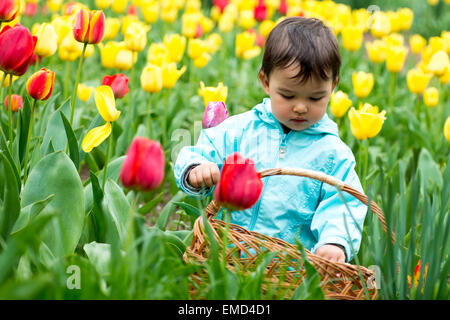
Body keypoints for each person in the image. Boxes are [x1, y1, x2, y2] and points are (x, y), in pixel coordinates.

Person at [174, 17, 367, 263]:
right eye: (287, 95)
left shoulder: (333, 154)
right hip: (225, 254)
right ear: (266, 82)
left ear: (333, 87)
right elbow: (202, 150)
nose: (300, 108)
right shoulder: (241, 129)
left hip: (288, 269)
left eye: (315, 98)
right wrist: (196, 170)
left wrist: (335, 242)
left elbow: (344, 204)